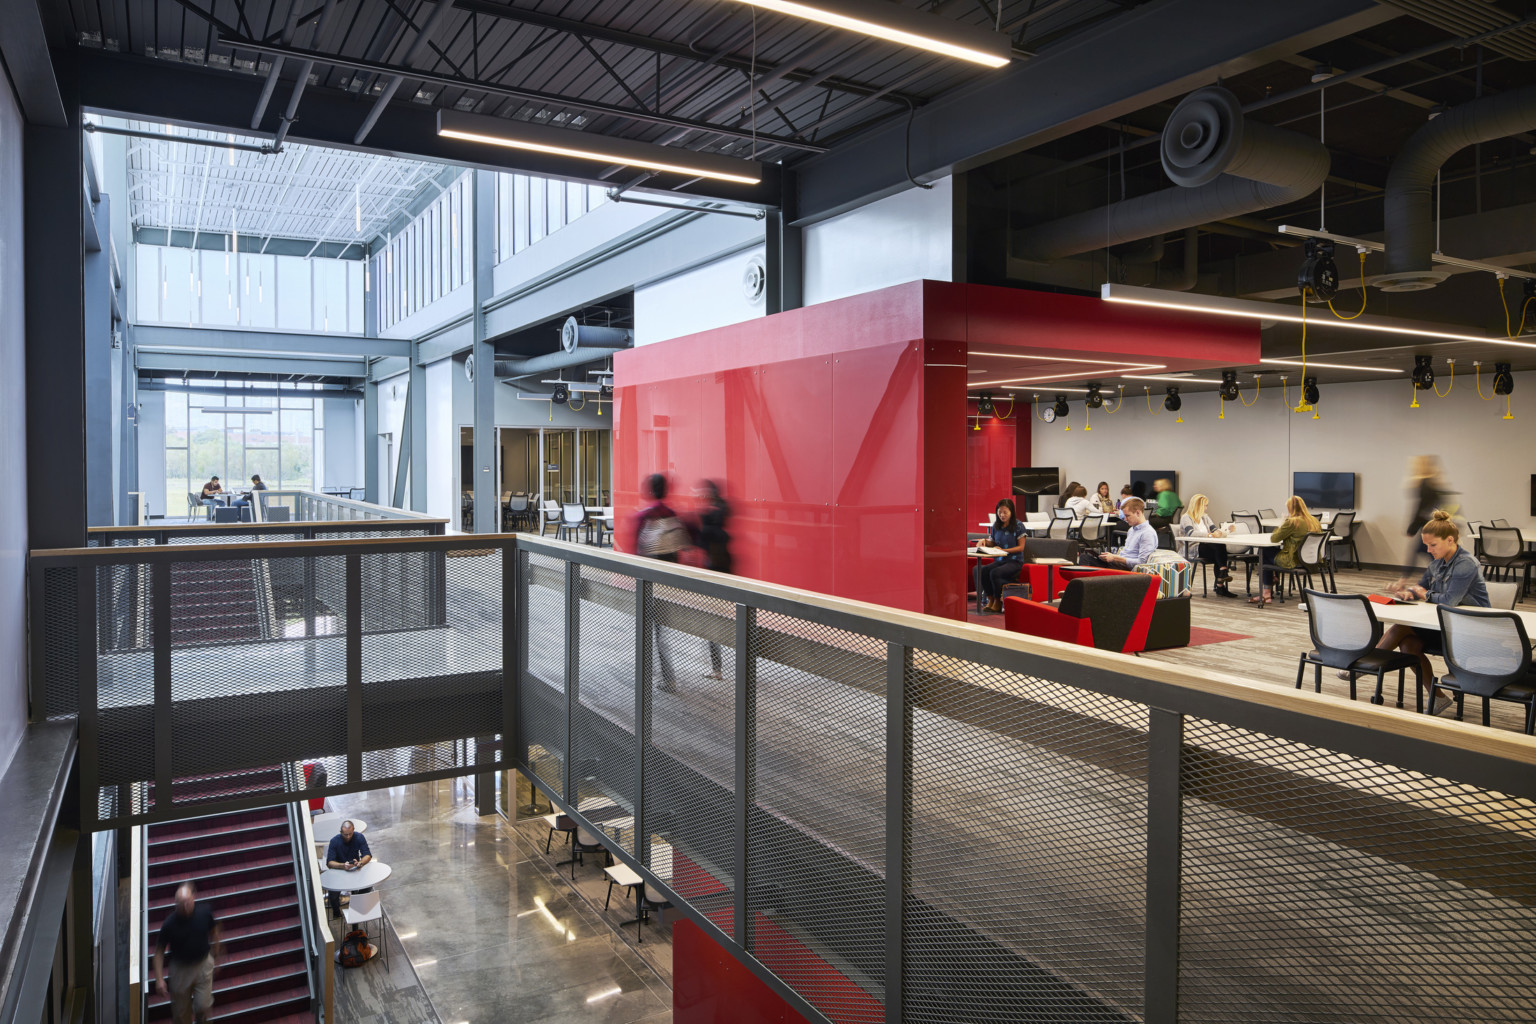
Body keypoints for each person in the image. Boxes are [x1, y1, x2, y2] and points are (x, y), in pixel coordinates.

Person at [1367, 510, 1490, 715]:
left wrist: (1423, 593)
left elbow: (1449, 600)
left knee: (1401, 628)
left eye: (1432, 545)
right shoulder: (1436, 564)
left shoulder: (1466, 564)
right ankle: (1439, 697)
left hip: (1469, 629)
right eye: (1426, 545)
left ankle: (1366, 663)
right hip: (1443, 624)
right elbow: (1420, 590)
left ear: (1450, 540)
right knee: (1408, 644)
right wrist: (1406, 593)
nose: (1428, 549)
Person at [629, 473, 685, 691]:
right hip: (668, 584)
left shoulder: (645, 516)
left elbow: (636, 553)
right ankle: (665, 677)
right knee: (659, 631)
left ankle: (657, 676)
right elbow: (679, 552)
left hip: (648, 583)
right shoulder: (672, 515)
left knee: (650, 631)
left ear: (650, 490)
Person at [154, 882, 220, 1024]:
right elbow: (159, 952)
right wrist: (159, 979)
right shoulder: (169, 924)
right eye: (181, 903)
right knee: (181, 1015)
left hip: (203, 965)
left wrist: (216, 952)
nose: (185, 906)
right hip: (180, 970)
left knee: (203, 1006)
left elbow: (214, 932)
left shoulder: (204, 913)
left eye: (188, 902)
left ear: (193, 898)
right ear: (175, 905)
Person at [1251, 495, 1321, 606]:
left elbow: (1274, 538)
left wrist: (1283, 523)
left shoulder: (1293, 522)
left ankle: (1266, 593)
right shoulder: (1314, 521)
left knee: (1263, 552)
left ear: (1290, 509)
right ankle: (1272, 576)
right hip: (1309, 561)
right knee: (1270, 552)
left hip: (1292, 560)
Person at [694, 480, 732, 679]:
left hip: (714, 574)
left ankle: (717, 669)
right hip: (724, 573)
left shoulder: (710, 524)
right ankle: (718, 668)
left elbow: (700, 540)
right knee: (719, 621)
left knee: (713, 622)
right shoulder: (721, 523)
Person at [1178, 493, 1236, 598]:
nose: (1206, 508)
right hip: (1193, 548)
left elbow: (1214, 529)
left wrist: (1225, 530)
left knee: (1219, 548)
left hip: (1207, 547)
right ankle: (1221, 583)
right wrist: (1209, 535)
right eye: (1204, 505)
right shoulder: (1186, 517)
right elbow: (1191, 533)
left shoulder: (1205, 517)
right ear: (1198, 505)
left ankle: (1222, 575)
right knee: (1218, 549)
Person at [978, 499, 1027, 613]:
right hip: (1000, 560)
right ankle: (990, 600)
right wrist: (985, 542)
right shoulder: (996, 525)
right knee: (984, 571)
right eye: (1000, 512)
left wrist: (1004, 550)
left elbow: (1021, 548)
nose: (1002, 515)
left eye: (1005, 512)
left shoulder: (1019, 526)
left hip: (1014, 561)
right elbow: (994, 543)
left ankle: (997, 602)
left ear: (1011, 512)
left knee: (995, 572)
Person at [1404, 455, 1455, 566]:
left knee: (1425, 553)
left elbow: (1421, 508)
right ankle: (1405, 580)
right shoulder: (1434, 483)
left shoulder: (1425, 484)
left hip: (1430, 525)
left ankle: (1404, 581)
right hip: (1435, 525)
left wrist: (1412, 528)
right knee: (1428, 553)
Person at [1081, 497, 1156, 569]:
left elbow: (1142, 563)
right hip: (1116, 565)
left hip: (1124, 570)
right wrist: (1112, 557)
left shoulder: (1147, 533)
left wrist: (1114, 558)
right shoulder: (1132, 530)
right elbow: (1126, 554)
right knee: (1084, 557)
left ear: (1138, 513)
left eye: (1127, 516)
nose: (1125, 519)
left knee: (1086, 562)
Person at [325, 820, 372, 918]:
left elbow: (367, 854)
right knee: (333, 893)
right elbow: (329, 862)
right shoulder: (334, 841)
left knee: (368, 886)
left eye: (350, 834)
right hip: (338, 871)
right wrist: (343, 865)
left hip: (355, 869)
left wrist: (360, 863)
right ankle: (336, 913)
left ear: (354, 830)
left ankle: (357, 907)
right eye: (345, 834)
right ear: (340, 832)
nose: (348, 837)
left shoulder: (359, 837)